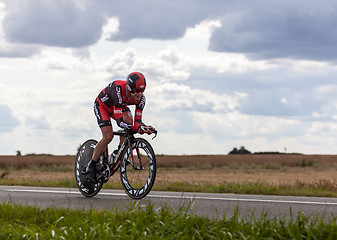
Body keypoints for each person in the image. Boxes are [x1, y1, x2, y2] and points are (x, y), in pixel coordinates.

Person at [85, 72, 156, 183]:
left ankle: (117, 152)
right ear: (129, 88)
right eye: (137, 91)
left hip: (117, 107)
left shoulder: (142, 99)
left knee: (129, 121)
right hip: (102, 106)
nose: (139, 94)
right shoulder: (118, 89)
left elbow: (137, 122)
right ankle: (92, 164)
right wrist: (136, 129)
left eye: (142, 91)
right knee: (108, 136)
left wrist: (144, 128)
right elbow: (120, 122)